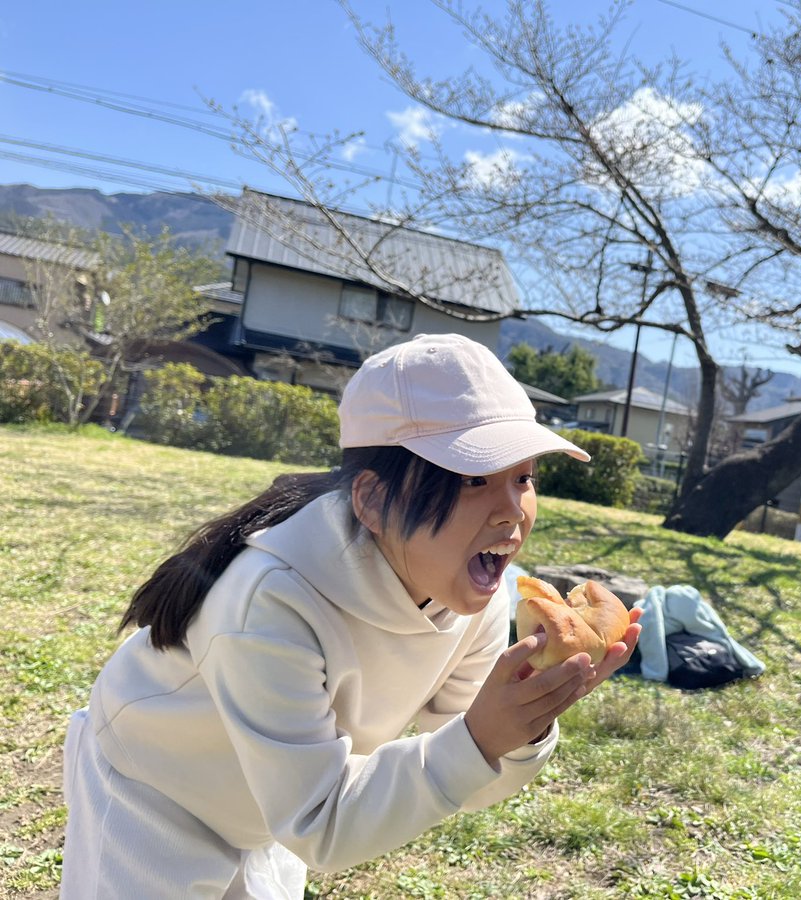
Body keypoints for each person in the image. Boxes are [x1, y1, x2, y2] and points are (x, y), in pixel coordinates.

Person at [60, 332, 642, 898]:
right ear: (371, 499)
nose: (512, 510)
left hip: (278, 799)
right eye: (473, 478)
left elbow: (465, 770)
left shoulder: (480, 598)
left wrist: (524, 721)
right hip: (154, 786)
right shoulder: (272, 599)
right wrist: (480, 736)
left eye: (524, 477)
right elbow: (324, 825)